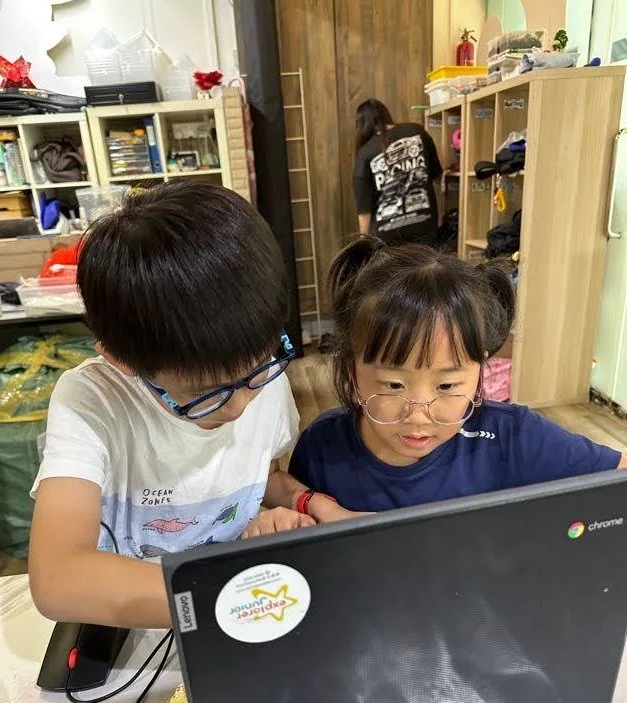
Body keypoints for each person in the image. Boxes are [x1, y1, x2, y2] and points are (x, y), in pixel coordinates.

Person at [29, 182, 350, 630]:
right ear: (123, 362)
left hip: (240, 606)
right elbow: (59, 577)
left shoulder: (263, 381)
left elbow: (261, 474)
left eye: (256, 373)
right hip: (139, 622)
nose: (239, 406)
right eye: (203, 393)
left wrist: (310, 503)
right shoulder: (92, 402)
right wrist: (236, 595)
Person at [289, 238, 626, 510]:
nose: (419, 414)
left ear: (480, 373)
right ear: (353, 371)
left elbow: (617, 476)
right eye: (393, 384)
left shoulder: (513, 437)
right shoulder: (323, 448)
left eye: (447, 385)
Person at [353, 99, 442, 245]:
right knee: (426, 267)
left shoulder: (365, 153)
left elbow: (364, 209)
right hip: (424, 225)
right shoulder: (417, 131)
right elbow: (435, 177)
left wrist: (363, 244)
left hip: (387, 234)